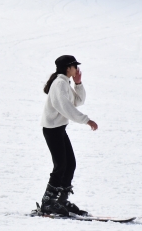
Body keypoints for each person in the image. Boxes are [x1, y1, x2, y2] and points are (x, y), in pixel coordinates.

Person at [40, 55, 98, 216]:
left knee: (70, 164)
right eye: (74, 66)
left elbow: (77, 101)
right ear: (68, 68)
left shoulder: (64, 83)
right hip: (52, 129)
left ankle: (61, 200)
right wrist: (86, 120)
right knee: (61, 166)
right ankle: (47, 202)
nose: (76, 69)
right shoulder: (59, 84)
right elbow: (66, 108)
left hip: (58, 129)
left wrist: (78, 83)